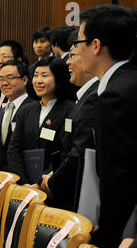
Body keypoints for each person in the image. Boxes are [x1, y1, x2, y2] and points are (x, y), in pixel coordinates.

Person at [74, 4, 137, 248]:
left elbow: (119, 175)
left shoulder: (116, 96)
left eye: (79, 42)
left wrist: (110, 231)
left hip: (123, 230)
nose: (77, 50)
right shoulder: (128, 82)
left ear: (96, 45)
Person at [40, 39, 99, 211]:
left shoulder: (93, 98)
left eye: (72, 55)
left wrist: (51, 183)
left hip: (75, 195)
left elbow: (78, 152)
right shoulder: (83, 97)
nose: (67, 61)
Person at [7, 57, 74, 185]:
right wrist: (23, 182)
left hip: (51, 185)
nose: (38, 81)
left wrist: (39, 184)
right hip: (24, 186)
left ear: (58, 78)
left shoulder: (70, 110)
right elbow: (14, 149)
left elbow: (64, 152)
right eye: (36, 75)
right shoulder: (26, 111)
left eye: (44, 75)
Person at [0, 60, 33, 170]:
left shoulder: (34, 109)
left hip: (24, 179)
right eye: (1, 79)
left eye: (10, 78)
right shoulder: (1, 113)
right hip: (2, 179)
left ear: (25, 80)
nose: (4, 83)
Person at [28, 27, 54, 100]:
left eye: (42, 41)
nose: (38, 45)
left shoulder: (57, 64)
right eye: (36, 42)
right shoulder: (30, 68)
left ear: (51, 43)